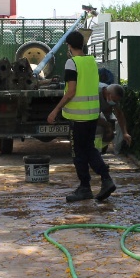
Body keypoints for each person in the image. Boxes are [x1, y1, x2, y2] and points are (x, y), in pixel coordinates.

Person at [47, 31, 117, 202]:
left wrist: (55, 110)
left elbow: (71, 92)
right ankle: (105, 179)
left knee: (79, 152)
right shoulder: (91, 61)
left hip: (78, 117)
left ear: (69, 46)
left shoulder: (72, 63)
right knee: (89, 149)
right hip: (92, 114)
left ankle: (85, 187)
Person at [97, 83, 133, 147]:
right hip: (86, 114)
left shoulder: (113, 96)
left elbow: (119, 114)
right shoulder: (96, 94)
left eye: (116, 101)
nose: (114, 103)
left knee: (110, 131)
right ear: (106, 92)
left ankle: (100, 149)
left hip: (100, 113)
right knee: (98, 130)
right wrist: (108, 126)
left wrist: (125, 133)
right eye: (114, 100)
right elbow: (93, 118)